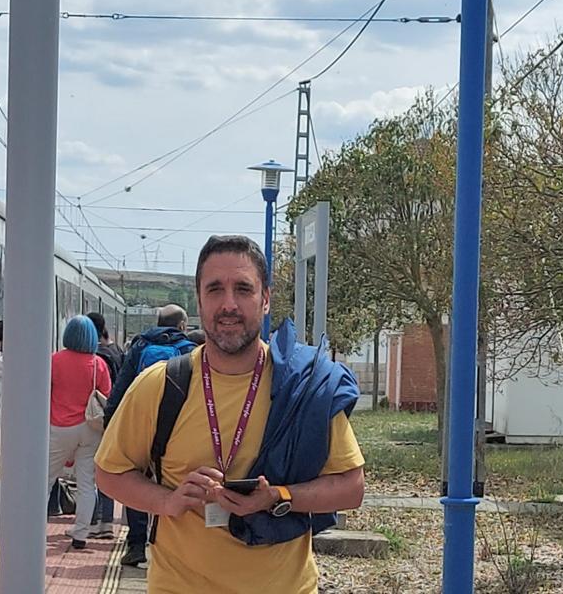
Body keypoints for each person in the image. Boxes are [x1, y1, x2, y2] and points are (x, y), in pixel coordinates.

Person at [95, 234, 365, 593]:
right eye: (215, 290)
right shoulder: (160, 386)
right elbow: (109, 472)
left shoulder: (303, 385)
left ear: (265, 299)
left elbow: (351, 487)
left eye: (243, 289)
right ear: (199, 301)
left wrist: (279, 496)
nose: (229, 304)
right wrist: (169, 500)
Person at [103, 303, 198, 566]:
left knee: (136, 480)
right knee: (178, 485)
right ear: (182, 325)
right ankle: (175, 547)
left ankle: (136, 545)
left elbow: (122, 387)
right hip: (178, 428)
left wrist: (110, 422)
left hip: (142, 425)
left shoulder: (140, 347)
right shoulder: (191, 350)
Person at [48, 315, 112, 549]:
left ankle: (34, 530)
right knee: (87, 483)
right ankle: (81, 535)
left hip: (59, 428)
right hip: (89, 429)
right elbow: (106, 394)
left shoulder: (54, 360)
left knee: (46, 480)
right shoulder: (98, 364)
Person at [88, 311, 125, 539]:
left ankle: (93, 521)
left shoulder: (97, 358)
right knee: (105, 468)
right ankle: (108, 522)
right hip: (113, 418)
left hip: (96, 419)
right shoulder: (118, 351)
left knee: (89, 474)